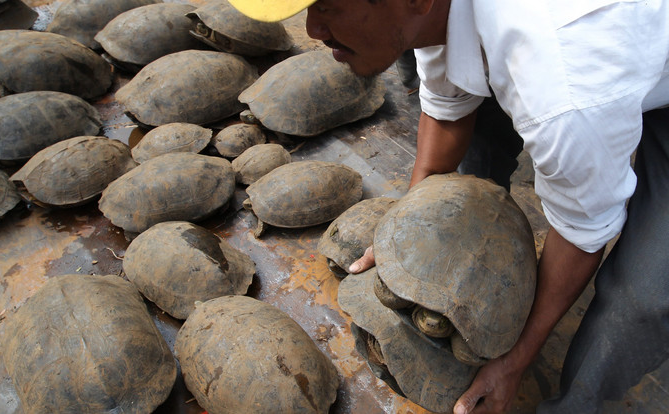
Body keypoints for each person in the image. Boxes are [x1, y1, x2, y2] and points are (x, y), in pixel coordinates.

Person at [227, 0, 669, 413]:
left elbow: (581, 231)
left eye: (326, 6)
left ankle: (576, 403)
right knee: (476, 164)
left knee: (644, 294)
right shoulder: (431, 18)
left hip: (609, 64)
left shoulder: (561, 91)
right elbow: (447, 110)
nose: (311, 29)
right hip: (599, 68)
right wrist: (408, 227)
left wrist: (514, 359)